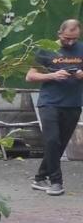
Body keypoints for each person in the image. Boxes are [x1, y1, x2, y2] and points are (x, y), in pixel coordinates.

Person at [26, 19, 83, 196]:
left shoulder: (81, 49)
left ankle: (39, 178)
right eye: (67, 38)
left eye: (74, 38)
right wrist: (52, 75)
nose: (71, 42)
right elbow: (30, 76)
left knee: (59, 145)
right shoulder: (46, 49)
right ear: (59, 34)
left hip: (73, 103)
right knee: (52, 140)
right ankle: (56, 182)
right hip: (49, 102)